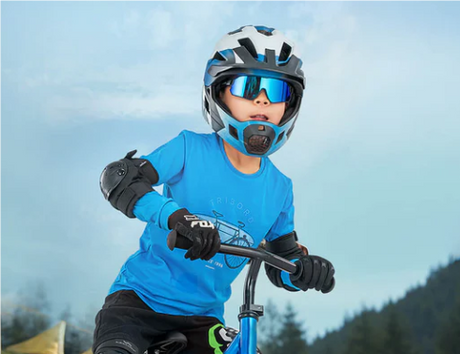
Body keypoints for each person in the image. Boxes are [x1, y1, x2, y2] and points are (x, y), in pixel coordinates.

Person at [94, 25, 335, 354]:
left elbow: (282, 263)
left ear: (290, 106)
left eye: (277, 92)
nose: (262, 99)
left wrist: (305, 271)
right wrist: (179, 218)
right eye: (249, 86)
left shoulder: (280, 190)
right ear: (219, 92)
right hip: (139, 304)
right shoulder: (188, 149)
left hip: (203, 321)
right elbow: (119, 178)